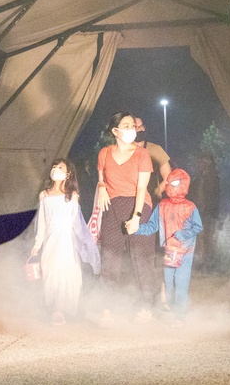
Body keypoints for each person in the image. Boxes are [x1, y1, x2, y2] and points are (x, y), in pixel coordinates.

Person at [94, 112, 161, 325]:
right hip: (112, 208)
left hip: (138, 205)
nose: (132, 128)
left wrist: (136, 217)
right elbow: (101, 177)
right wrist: (102, 187)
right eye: (126, 125)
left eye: (133, 125)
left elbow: (142, 187)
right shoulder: (104, 153)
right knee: (110, 257)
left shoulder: (142, 154)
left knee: (141, 258)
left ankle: (146, 307)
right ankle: (107, 309)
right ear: (115, 131)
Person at [30, 159, 100, 324]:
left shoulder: (72, 196)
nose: (56, 169)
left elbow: (76, 223)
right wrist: (37, 244)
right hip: (50, 241)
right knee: (51, 274)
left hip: (67, 242)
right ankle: (53, 306)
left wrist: (85, 244)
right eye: (54, 166)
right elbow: (41, 223)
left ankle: (59, 310)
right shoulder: (44, 195)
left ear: (67, 174)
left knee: (66, 273)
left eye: (60, 167)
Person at [132, 168, 203, 324]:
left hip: (186, 251)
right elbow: (152, 226)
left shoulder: (190, 207)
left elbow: (198, 227)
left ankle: (180, 317)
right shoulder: (162, 205)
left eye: (175, 182)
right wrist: (136, 229)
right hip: (171, 250)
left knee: (181, 282)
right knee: (169, 283)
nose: (171, 185)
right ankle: (174, 311)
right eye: (169, 182)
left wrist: (182, 235)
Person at [188, 152, 220, 270]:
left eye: (202, 162)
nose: (199, 164)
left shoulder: (213, 178)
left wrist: (210, 211)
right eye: (199, 162)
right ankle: (201, 263)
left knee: (208, 238)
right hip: (198, 213)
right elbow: (191, 195)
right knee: (200, 238)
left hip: (209, 214)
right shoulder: (197, 180)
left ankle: (209, 263)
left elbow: (213, 197)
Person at [133, 116, 171, 198]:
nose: (139, 129)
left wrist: (157, 193)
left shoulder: (155, 149)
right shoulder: (124, 151)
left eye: (141, 126)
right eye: (135, 127)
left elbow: (168, 177)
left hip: (152, 200)